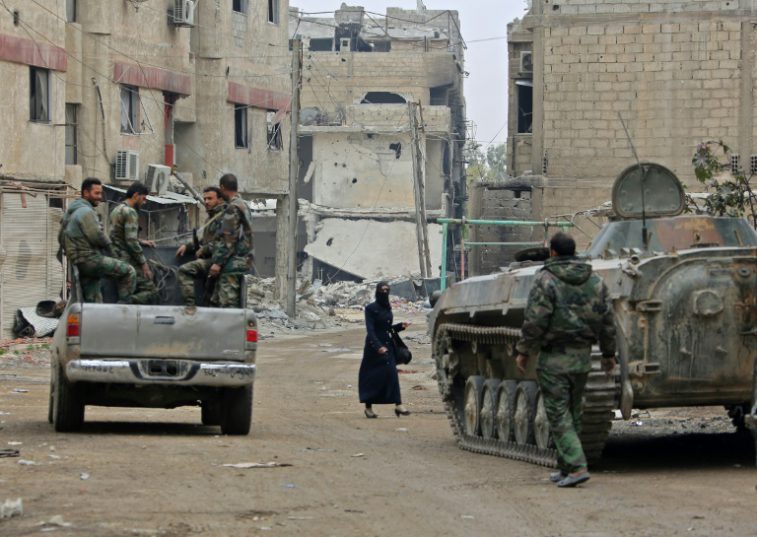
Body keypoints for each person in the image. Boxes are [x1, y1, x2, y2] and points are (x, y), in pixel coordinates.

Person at [515, 232, 616, 488]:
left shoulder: (546, 280)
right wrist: (608, 354)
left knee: (558, 414)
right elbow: (607, 321)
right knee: (573, 413)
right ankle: (565, 466)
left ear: (552, 252)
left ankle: (577, 466)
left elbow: (536, 319)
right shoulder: (595, 280)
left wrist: (524, 350)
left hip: (554, 358)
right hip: (582, 357)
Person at [61, 178, 136, 303]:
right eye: (96, 193)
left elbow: (61, 238)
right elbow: (98, 236)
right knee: (129, 271)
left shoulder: (71, 212)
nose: (100, 197)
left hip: (78, 262)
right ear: (86, 193)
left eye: (101, 193)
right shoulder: (86, 211)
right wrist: (113, 252)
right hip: (90, 260)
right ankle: (124, 308)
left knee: (94, 301)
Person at [358, 282, 411, 418]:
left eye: (387, 290)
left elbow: (387, 328)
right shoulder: (370, 308)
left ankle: (398, 404)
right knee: (371, 378)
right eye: (383, 290)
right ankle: (368, 408)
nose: (385, 292)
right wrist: (378, 346)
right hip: (373, 348)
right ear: (377, 291)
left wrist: (401, 326)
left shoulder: (388, 308)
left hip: (388, 346)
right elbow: (371, 331)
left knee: (392, 374)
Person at [176, 186, 227, 307]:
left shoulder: (224, 217)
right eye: (205, 199)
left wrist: (204, 249)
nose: (206, 202)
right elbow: (204, 240)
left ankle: (190, 307)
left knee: (184, 270)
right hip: (211, 260)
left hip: (219, 261)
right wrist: (187, 246)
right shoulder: (211, 218)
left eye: (210, 198)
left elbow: (225, 242)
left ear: (220, 200)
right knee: (208, 300)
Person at [208, 173, 253, 308]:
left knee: (228, 306)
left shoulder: (233, 207)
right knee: (219, 301)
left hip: (232, 262)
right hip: (242, 260)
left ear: (222, 187)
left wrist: (218, 263)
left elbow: (229, 238)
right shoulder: (243, 205)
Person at [108, 182, 158, 304]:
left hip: (116, 259)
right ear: (136, 195)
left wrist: (141, 241)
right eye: (143, 198)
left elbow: (120, 236)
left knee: (124, 293)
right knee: (152, 291)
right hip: (127, 262)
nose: (144, 202)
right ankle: (126, 304)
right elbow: (131, 242)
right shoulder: (130, 212)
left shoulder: (117, 209)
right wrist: (144, 264)